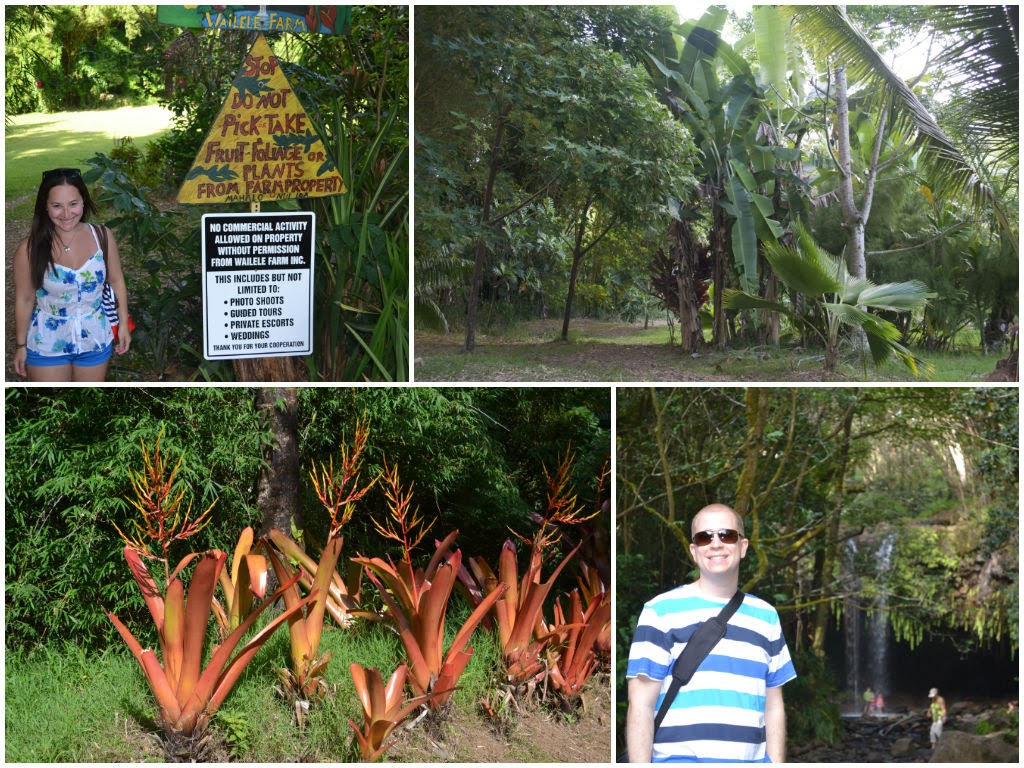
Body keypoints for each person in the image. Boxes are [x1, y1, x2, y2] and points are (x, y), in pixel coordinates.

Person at [625, 503, 797, 762]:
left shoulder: (767, 617)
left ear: (743, 546)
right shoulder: (660, 612)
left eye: (726, 535)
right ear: (694, 551)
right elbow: (640, 705)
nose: (715, 543)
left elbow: (773, 706)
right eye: (705, 537)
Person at [12, 167, 131, 381]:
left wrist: (123, 325)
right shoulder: (29, 249)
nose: (67, 214)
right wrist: (21, 346)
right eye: (57, 206)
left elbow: (116, 280)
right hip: (47, 343)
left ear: (83, 201)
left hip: (95, 339)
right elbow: (24, 298)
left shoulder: (103, 237)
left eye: (73, 204)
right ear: (45, 207)